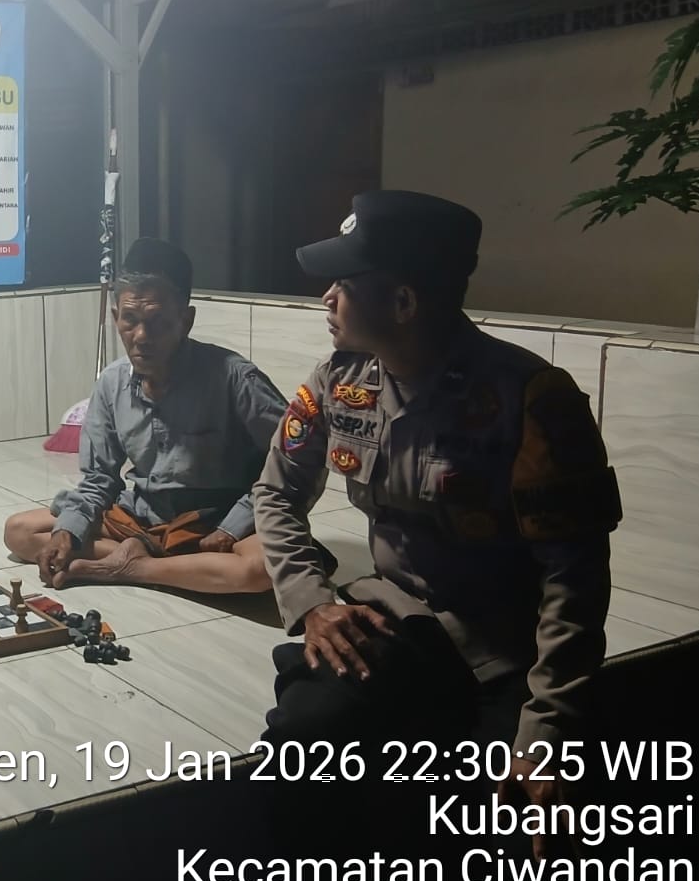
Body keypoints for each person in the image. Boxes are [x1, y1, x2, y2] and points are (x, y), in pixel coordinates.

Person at [252, 190, 622, 824]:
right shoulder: (340, 380)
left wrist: (546, 731)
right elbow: (276, 491)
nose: (327, 298)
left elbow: (575, 579)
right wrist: (311, 601)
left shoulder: (533, 399)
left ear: (403, 303)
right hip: (396, 620)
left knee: (523, 822)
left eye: (345, 284)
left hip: (506, 651)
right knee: (298, 748)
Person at [4, 237, 294, 595]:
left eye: (158, 322)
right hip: (142, 516)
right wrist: (67, 531)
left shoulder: (235, 378)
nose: (141, 336)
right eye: (130, 320)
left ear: (185, 320)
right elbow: (99, 479)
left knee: (258, 570)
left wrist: (233, 526)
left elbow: (294, 462)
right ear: (116, 318)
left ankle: (135, 567)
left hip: (216, 519)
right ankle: (178, 568)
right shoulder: (111, 383)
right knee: (20, 531)